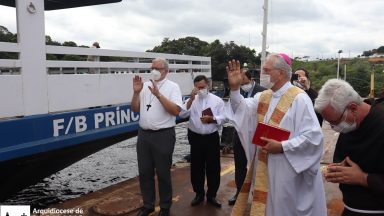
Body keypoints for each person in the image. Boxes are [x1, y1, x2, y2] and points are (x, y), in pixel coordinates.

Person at [226, 53, 327, 215]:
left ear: (280, 72)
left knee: (283, 208)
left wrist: (282, 146)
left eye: (266, 70)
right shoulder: (263, 96)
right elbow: (241, 111)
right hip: (265, 167)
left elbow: (314, 138)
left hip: (287, 171)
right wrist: (235, 89)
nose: (262, 74)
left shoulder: (300, 99)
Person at [314, 79, 384, 216]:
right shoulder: (350, 124)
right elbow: (345, 158)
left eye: (334, 122)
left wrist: (363, 178)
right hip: (350, 209)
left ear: (353, 108)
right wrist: (339, 170)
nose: (334, 128)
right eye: (329, 124)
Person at [131, 58, 183, 216]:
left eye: (157, 68)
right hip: (144, 135)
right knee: (145, 171)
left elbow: (175, 111)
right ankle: (148, 205)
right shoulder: (145, 85)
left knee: (163, 173)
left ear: (166, 71)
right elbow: (135, 109)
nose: (153, 70)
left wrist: (158, 94)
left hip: (163, 135)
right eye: (152, 67)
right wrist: (136, 93)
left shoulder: (173, 87)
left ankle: (165, 207)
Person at [179, 75, 225, 208]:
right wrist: (191, 98)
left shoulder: (217, 101)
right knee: (196, 167)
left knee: (213, 167)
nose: (200, 90)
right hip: (196, 137)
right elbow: (182, 114)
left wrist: (213, 118)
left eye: (202, 87)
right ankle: (199, 194)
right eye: (197, 87)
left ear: (208, 86)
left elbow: (225, 117)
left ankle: (212, 195)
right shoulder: (192, 100)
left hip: (211, 137)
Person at [228, 69, 266, 205]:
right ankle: (239, 193)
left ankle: (258, 193)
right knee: (240, 165)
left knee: (258, 165)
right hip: (239, 133)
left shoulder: (263, 92)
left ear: (251, 79)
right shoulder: (237, 91)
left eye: (242, 80)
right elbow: (233, 109)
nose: (241, 83)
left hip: (257, 135)